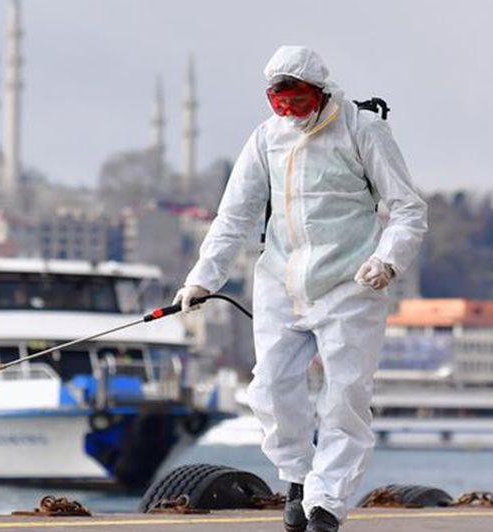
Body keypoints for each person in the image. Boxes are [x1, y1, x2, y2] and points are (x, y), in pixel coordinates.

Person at [173, 46, 427, 532]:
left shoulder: (362, 130)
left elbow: (409, 209)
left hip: (351, 285)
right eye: (278, 102)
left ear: (320, 91)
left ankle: (326, 505)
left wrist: (387, 261)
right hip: (280, 283)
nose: (287, 111)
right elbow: (235, 216)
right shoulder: (267, 139)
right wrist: (203, 278)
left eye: (295, 100)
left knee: (344, 398)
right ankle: (297, 477)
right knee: (269, 388)